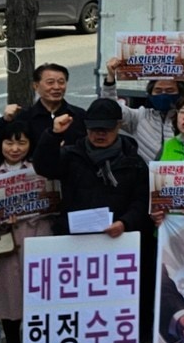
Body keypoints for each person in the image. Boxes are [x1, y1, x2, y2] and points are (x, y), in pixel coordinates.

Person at [33, 97, 150, 238]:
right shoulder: (71, 155)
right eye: (94, 128)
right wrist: (53, 135)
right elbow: (44, 167)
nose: (100, 134)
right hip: (74, 238)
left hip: (116, 239)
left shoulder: (134, 162)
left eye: (106, 129)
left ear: (119, 125)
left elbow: (141, 201)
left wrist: (125, 223)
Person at [0, 116, 55, 343]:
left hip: (37, 235)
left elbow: (54, 202)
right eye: (9, 142)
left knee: (39, 295)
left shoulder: (40, 169)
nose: (15, 149)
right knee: (8, 298)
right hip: (5, 243)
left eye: (21, 142)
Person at [22, 63, 86, 148]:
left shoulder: (79, 115)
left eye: (61, 82)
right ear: (36, 86)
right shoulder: (25, 118)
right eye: (50, 82)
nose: (56, 87)